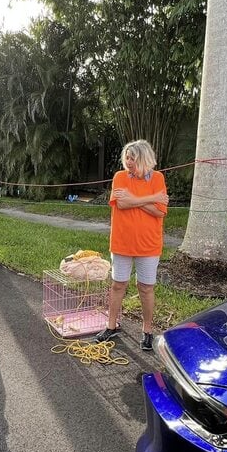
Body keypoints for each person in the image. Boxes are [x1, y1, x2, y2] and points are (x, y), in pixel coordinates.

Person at [95, 140, 169, 351]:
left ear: (144, 159)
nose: (128, 162)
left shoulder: (158, 178)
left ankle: (147, 331)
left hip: (149, 245)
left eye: (132, 158)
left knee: (145, 288)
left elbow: (160, 211)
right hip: (121, 243)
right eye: (126, 157)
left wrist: (136, 198)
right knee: (118, 284)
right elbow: (122, 203)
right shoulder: (119, 177)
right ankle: (111, 326)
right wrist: (151, 198)